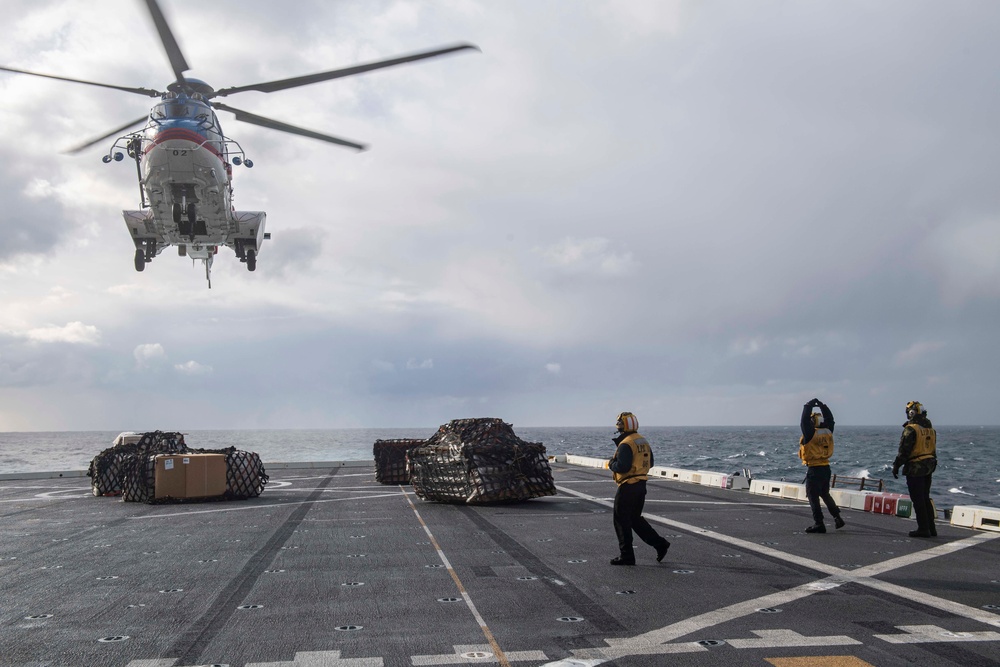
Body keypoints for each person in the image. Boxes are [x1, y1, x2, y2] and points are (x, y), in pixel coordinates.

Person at [607, 411, 670, 565]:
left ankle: (627, 555)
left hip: (628, 486)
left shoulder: (626, 444)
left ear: (624, 426)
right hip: (641, 485)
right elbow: (651, 463)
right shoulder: (642, 441)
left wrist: (611, 464)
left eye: (620, 423)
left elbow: (622, 466)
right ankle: (660, 544)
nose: (618, 426)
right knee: (635, 519)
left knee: (621, 520)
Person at [798, 398, 846, 534]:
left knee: (813, 496)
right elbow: (831, 420)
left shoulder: (810, 433)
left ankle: (819, 523)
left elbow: (803, 421)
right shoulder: (828, 431)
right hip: (826, 468)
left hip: (814, 469)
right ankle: (837, 517)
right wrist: (823, 407)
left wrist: (808, 406)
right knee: (825, 494)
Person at [892, 401, 938, 538]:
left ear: (911, 412)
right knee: (925, 497)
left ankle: (923, 529)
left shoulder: (911, 429)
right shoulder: (930, 429)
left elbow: (904, 451)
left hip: (915, 467)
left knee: (917, 499)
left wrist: (896, 466)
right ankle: (931, 528)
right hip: (929, 466)